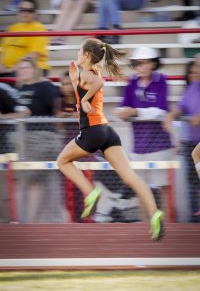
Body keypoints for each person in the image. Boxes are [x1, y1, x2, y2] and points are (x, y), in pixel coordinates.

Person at [57, 38, 164, 240]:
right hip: (107, 132)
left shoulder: (85, 73)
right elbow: (91, 83)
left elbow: (99, 82)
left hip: (92, 132)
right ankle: (154, 213)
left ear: (87, 55)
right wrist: (80, 90)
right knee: (130, 177)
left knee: (62, 161)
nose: (77, 55)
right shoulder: (93, 71)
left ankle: (90, 193)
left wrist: (86, 98)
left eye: (80, 51)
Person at [114, 47, 174, 218]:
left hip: (160, 145)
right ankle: (145, 228)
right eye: (138, 63)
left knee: (163, 189)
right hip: (139, 146)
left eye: (146, 62)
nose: (142, 67)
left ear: (154, 63)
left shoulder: (161, 80)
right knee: (141, 189)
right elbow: (123, 106)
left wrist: (134, 112)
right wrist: (122, 112)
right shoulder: (131, 81)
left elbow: (161, 110)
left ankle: (169, 227)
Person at [10, 57, 66, 223]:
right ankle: (31, 220)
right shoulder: (18, 89)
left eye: (27, 67)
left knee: (33, 180)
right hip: (22, 139)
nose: (23, 71)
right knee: (31, 181)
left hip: (42, 137)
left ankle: (27, 221)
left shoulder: (45, 86)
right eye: (20, 68)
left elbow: (57, 110)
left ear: (35, 69)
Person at [163, 60, 200, 222]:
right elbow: (180, 108)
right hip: (190, 143)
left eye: (197, 72)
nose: (195, 75)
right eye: (192, 73)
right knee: (192, 182)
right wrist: (171, 115)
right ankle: (194, 216)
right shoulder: (190, 89)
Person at [0, 84, 29, 223]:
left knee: (4, 192)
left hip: (2, 149)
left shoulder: (2, 90)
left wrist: (3, 117)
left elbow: (25, 111)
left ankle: (8, 224)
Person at [0, 0, 50, 77]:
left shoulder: (39, 28)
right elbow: (2, 51)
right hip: (7, 70)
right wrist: (1, 65)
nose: (25, 13)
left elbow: (34, 55)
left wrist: (12, 69)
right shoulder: (11, 28)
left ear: (35, 13)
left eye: (29, 11)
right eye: (22, 10)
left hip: (30, 69)